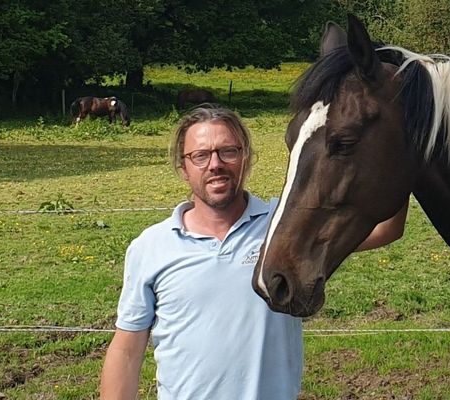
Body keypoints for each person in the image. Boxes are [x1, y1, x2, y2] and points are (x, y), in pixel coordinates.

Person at [100, 104, 408, 399]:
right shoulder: (151, 246)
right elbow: (127, 349)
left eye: (228, 151)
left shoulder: (285, 227)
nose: (215, 164)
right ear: (183, 167)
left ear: (246, 157)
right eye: (200, 155)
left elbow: (385, 229)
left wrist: (399, 151)